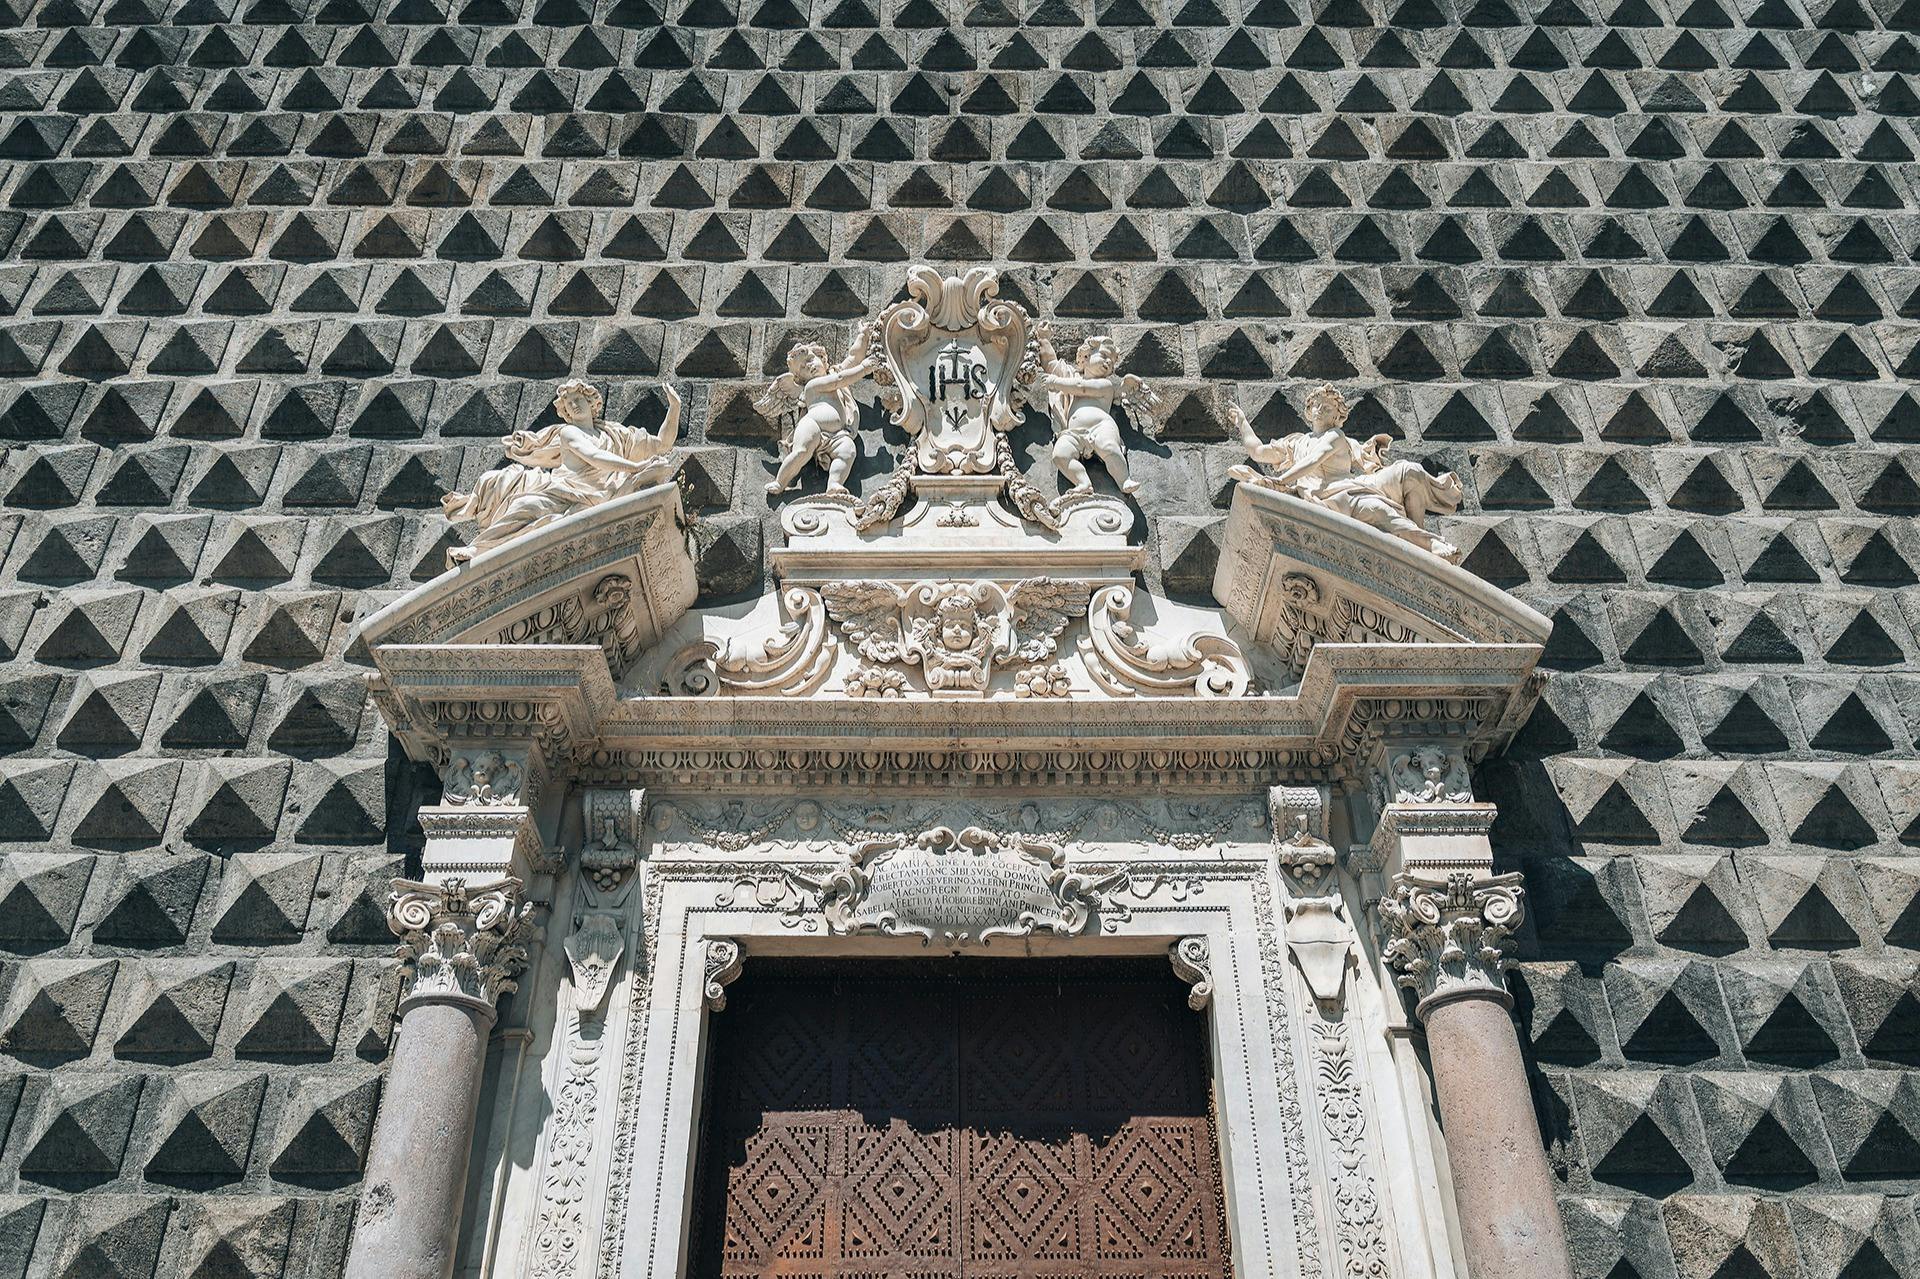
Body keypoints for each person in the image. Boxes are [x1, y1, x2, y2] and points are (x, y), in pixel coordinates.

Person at [441, 379, 680, 563]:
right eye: (569, 404)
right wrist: (634, 467)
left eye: (578, 399)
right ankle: (478, 550)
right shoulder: (569, 433)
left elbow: (662, 445)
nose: (574, 405)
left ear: (592, 402)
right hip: (563, 490)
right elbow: (593, 457)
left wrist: (675, 408)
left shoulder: (615, 434)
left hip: (599, 495)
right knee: (525, 507)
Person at [761, 330, 881, 495]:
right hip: (813, 426)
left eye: (810, 360)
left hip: (838, 434)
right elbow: (840, 380)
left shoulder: (834, 373)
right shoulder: (813, 385)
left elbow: (853, 358)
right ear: (800, 378)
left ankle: (834, 484)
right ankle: (780, 482)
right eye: (803, 367)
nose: (808, 366)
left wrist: (863, 336)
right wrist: (864, 369)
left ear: (824, 360)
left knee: (848, 451)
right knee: (801, 452)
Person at [1036, 332, 1155, 494]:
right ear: (1085, 356)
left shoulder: (1105, 385)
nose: (1108, 362)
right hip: (1073, 433)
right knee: (1060, 455)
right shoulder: (1070, 377)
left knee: (1109, 448)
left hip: (1100, 426)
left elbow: (1081, 387)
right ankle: (1083, 483)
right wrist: (1043, 339)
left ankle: (1124, 480)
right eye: (1104, 355)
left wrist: (1055, 382)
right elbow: (1051, 364)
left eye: (1112, 362)